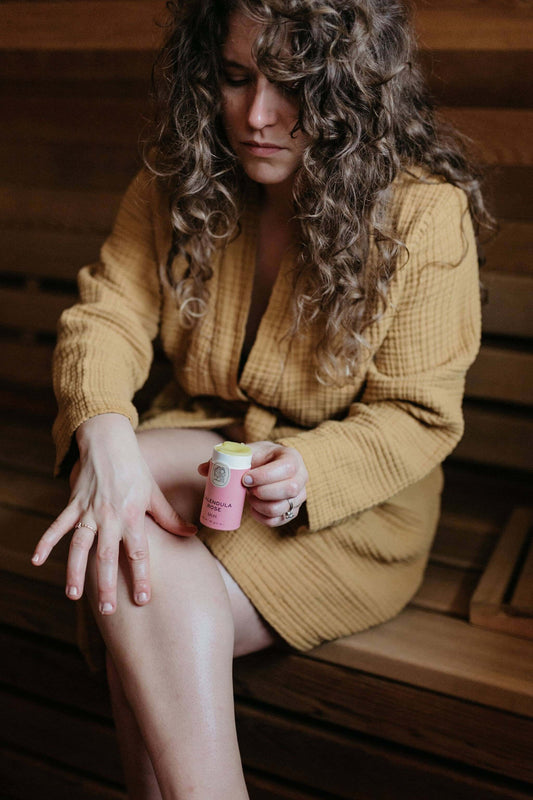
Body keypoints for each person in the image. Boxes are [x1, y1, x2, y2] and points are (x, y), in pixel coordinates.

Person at [32, 0, 492, 797]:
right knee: (121, 498)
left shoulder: (422, 212)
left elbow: (416, 415)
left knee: (132, 578)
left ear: (351, 89)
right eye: (235, 78)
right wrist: (102, 431)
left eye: (295, 85)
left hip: (351, 507)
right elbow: (107, 314)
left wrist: (309, 469)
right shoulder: (180, 179)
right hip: (201, 443)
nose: (257, 116)